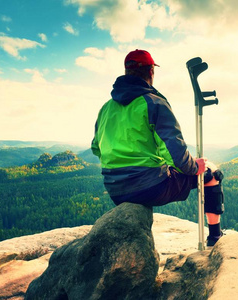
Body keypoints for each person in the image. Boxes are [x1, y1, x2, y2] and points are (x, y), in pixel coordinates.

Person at [91, 49, 224, 246]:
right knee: (212, 173)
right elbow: (176, 155)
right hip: (150, 186)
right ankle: (215, 237)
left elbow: (96, 148)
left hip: (114, 189)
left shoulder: (106, 108)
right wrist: (196, 168)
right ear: (151, 71)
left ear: (126, 72)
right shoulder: (154, 103)